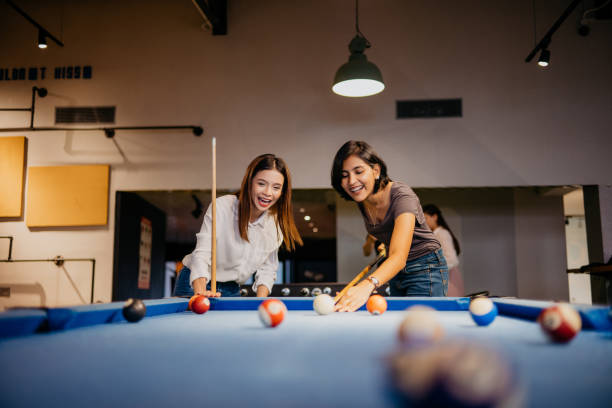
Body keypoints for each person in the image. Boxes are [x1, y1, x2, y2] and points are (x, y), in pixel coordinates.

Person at [331, 141, 448, 312]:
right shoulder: (363, 200)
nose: (351, 181)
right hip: (395, 273)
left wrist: (367, 285)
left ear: (376, 171)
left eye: (358, 171)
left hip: (425, 268)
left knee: (418, 329)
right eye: (344, 175)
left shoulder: (402, 195)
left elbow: (399, 256)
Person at [173, 154, 302, 298]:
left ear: (282, 192)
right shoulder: (222, 207)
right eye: (261, 184)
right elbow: (202, 254)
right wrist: (200, 292)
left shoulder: (275, 224)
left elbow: (267, 269)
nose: (268, 193)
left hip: (232, 289)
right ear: (249, 182)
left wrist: (260, 302)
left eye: (276, 187)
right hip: (195, 282)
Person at [423, 204, 464, 297]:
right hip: (442, 276)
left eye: (425, 218)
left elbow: (452, 259)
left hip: (448, 277)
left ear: (435, 217)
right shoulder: (435, 234)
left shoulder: (442, 233)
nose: (424, 222)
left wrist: (432, 268)